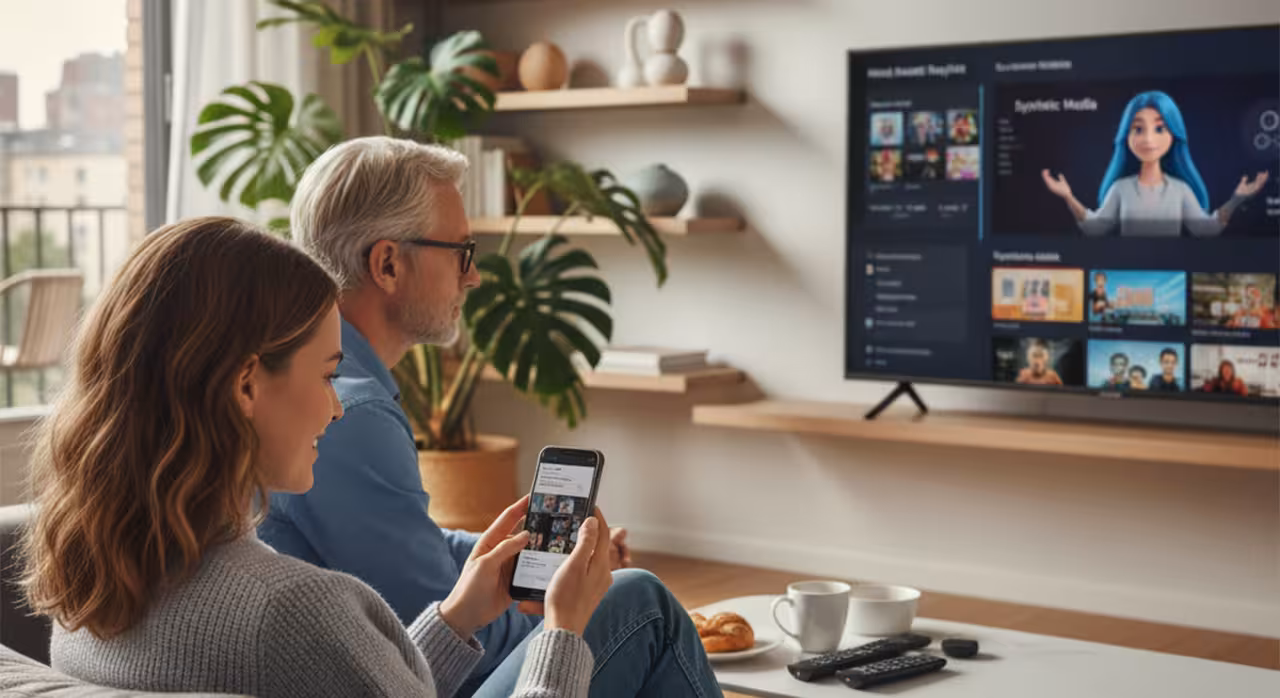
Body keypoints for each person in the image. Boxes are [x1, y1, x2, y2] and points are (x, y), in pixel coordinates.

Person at [18, 217, 715, 696]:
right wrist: (562, 629)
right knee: (642, 603)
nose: (338, 406)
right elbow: (326, 657)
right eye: (326, 375)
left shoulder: (86, 579)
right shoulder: (297, 612)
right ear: (246, 384)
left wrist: (458, 616)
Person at [257, 136, 714, 697]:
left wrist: (539, 557)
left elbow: (408, 541)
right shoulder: (351, 414)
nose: (473, 277)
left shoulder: (327, 390)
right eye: (462, 253)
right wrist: (567, 600)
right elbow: (440, 647)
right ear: (388, 264)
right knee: (641, 603)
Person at [1041, 90, 1270, 237]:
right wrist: (1067, 196)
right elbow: (1094, 228)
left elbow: (1206, 229)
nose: (1149, 140)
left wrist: (1237, 199)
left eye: (1160, 128)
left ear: (1174, 134)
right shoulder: (1120, 188)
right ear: (1126, 135)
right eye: (1138, 129)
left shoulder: (1180, 190)